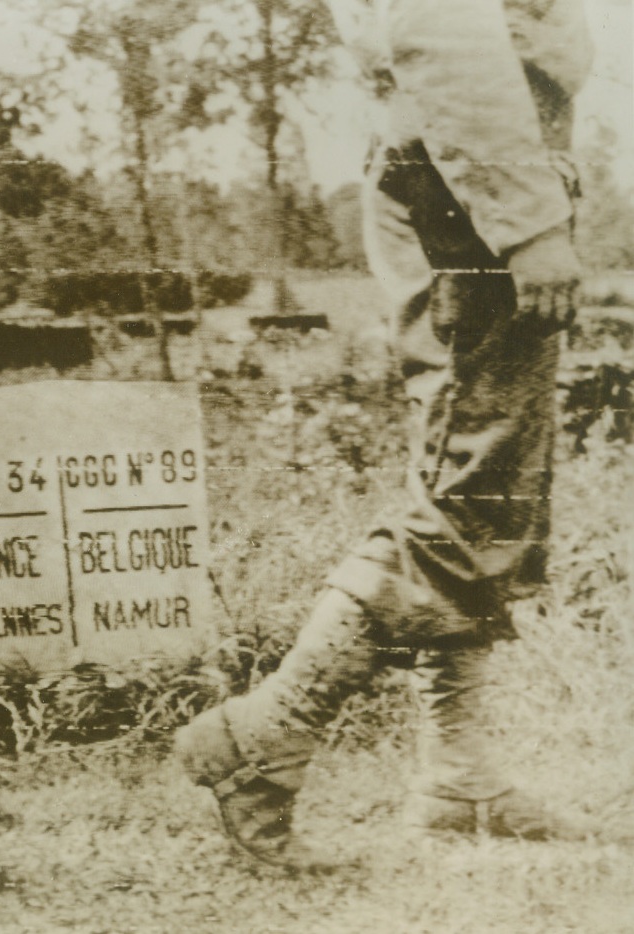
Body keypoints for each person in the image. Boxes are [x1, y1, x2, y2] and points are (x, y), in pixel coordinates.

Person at [176, 0, 596, 868]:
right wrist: (530, 222)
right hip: (470, 189)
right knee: (467, 495)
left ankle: (461, 776)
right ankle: (264, 734)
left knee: (483, 485)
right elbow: (440, 28)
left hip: (466, 175)